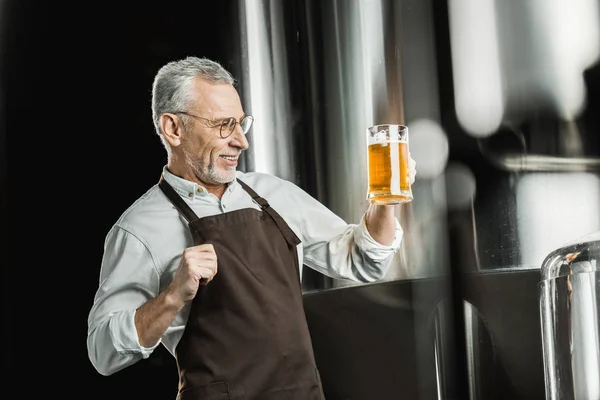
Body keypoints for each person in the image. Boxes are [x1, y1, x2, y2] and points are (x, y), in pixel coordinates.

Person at [86, 55, 416, 400]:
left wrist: (385, 198)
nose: (241, 141)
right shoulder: (139, 228)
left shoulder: (273, 194)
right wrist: (172, 296)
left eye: (242, 124)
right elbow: (103, 353)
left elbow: (363, 260)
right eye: (223, 125)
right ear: (173, 128)